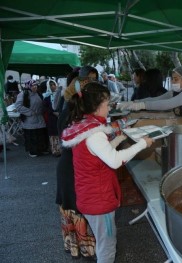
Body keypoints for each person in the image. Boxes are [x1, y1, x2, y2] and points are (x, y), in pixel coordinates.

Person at [61, 81, 153, 263]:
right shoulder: (94, 134)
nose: (109, 108)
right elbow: (114, 160)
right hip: (98, 202)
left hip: (89, 195)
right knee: (107, 247)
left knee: (103, 242)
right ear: (96, 107)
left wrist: (119, 139)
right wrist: (143, 144)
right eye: (107, 104)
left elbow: (98, 154)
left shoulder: (85, 126)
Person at [56, 66, 98, 260]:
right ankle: (86, 248)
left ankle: (75, 248)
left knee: (70, 206)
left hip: (66, 166)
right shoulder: (78, 115)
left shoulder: (68, 110)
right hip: (73, 168)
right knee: (77, 206)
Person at [117, 66, 182, 122]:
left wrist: (141, 105)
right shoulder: (179, 90)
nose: (173, 82)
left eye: (176, 79)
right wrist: (134, 102)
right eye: (172, 79)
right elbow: (157, 99)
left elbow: (168, 104)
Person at [15, 79, 49, 157]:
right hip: (29, 119)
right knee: (32, 136)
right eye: (33, 85)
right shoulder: (23, 94)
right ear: (28, 86)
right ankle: (33, 151)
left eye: (36, 85)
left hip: (39, 118)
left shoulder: (38, 93)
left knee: (40, 134)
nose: (35, 87)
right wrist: (30, 112)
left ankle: (41, 149)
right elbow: (18, 106)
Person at [43, 79, 61, 157]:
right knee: (53, 134)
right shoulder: (46, 97)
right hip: (51, 118)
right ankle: (55, 150)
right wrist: (53, 112)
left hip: (60, 116)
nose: (53, 86)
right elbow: (45, 108)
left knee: (60, 132)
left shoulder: (60, 94)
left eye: (54, 84)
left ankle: (61, 150)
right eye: (51, 85)